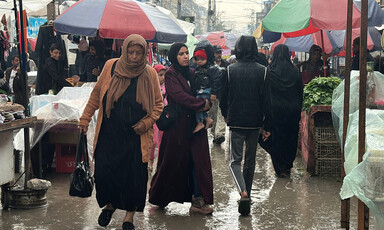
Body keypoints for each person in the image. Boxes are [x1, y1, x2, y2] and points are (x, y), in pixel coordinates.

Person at [78, 34, 163, 230]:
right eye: (131, 52)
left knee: (133, 177)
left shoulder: (149, 73)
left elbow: (158, 105)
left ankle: (129, 217)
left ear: (143, 54)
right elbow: (96, 95)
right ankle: (110, 205)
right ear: (124, 51)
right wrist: (85, 118)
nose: (134, 57)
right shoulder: (111, 67)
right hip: (110, 132)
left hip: (136, 135)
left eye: (138, 53)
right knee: (105, 173)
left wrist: (146, 123)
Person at [149, 43, 214, 215]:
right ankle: (159, 198)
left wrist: (207, 104)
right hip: (177, 127)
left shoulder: (192, 73)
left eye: (187, 53)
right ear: (173, 56)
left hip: (195, 125)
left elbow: (201, 91)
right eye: (181, 54)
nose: (185, 56)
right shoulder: (171, 74)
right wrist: (202, 105)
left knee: (198, 163)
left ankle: (198, 201)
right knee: (171, 163)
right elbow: (180, 96)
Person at [220, 35, 271, 216]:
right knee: (250, 162)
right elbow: (267, 101)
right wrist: (266, 125)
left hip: (236, 122)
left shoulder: (230, 70)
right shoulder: (263, 71)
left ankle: (243, 193)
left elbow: (223, 98)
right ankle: (247, 196)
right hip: (255, 122)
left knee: (234, 161)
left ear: (238, 49)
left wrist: (226, 116)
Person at [258, 44, 303, 178]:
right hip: (292, 112)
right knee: (290, 138)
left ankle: (280, 168)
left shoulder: (270, 71)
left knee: (276, 139)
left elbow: (265, 94)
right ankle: (287, 165)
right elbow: (300, 92)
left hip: (275, 112)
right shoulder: (295, 71)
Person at [192, 41, 222, 133]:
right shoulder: (197, 68)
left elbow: (216, 82)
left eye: (202, 59)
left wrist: (213, 93)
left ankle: (200, 122)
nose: (199, 61)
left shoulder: (213, 68)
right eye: (197, 59)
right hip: (201, 90)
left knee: (198, 105)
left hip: (206, 91)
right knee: (200, 106)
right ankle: (207, 119)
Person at [149, 64, 168, 172]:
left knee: (162, 140)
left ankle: (160, 163)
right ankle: (150, 159)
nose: (163, 77)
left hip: (164, 117)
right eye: (160, 75)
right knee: (154, 140)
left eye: (164, 75)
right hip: (154, 116)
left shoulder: (167, 86)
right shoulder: (151, 86)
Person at [210, 45, 228, 145]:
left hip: (222, 95)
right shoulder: (210, 66)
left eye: (220, 53)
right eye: (217, 53)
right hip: (212, 95)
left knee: (221, 115)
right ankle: (214, 134)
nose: (219, 55)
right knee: (213, 116)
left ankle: (220, 135)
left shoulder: (226, 65)